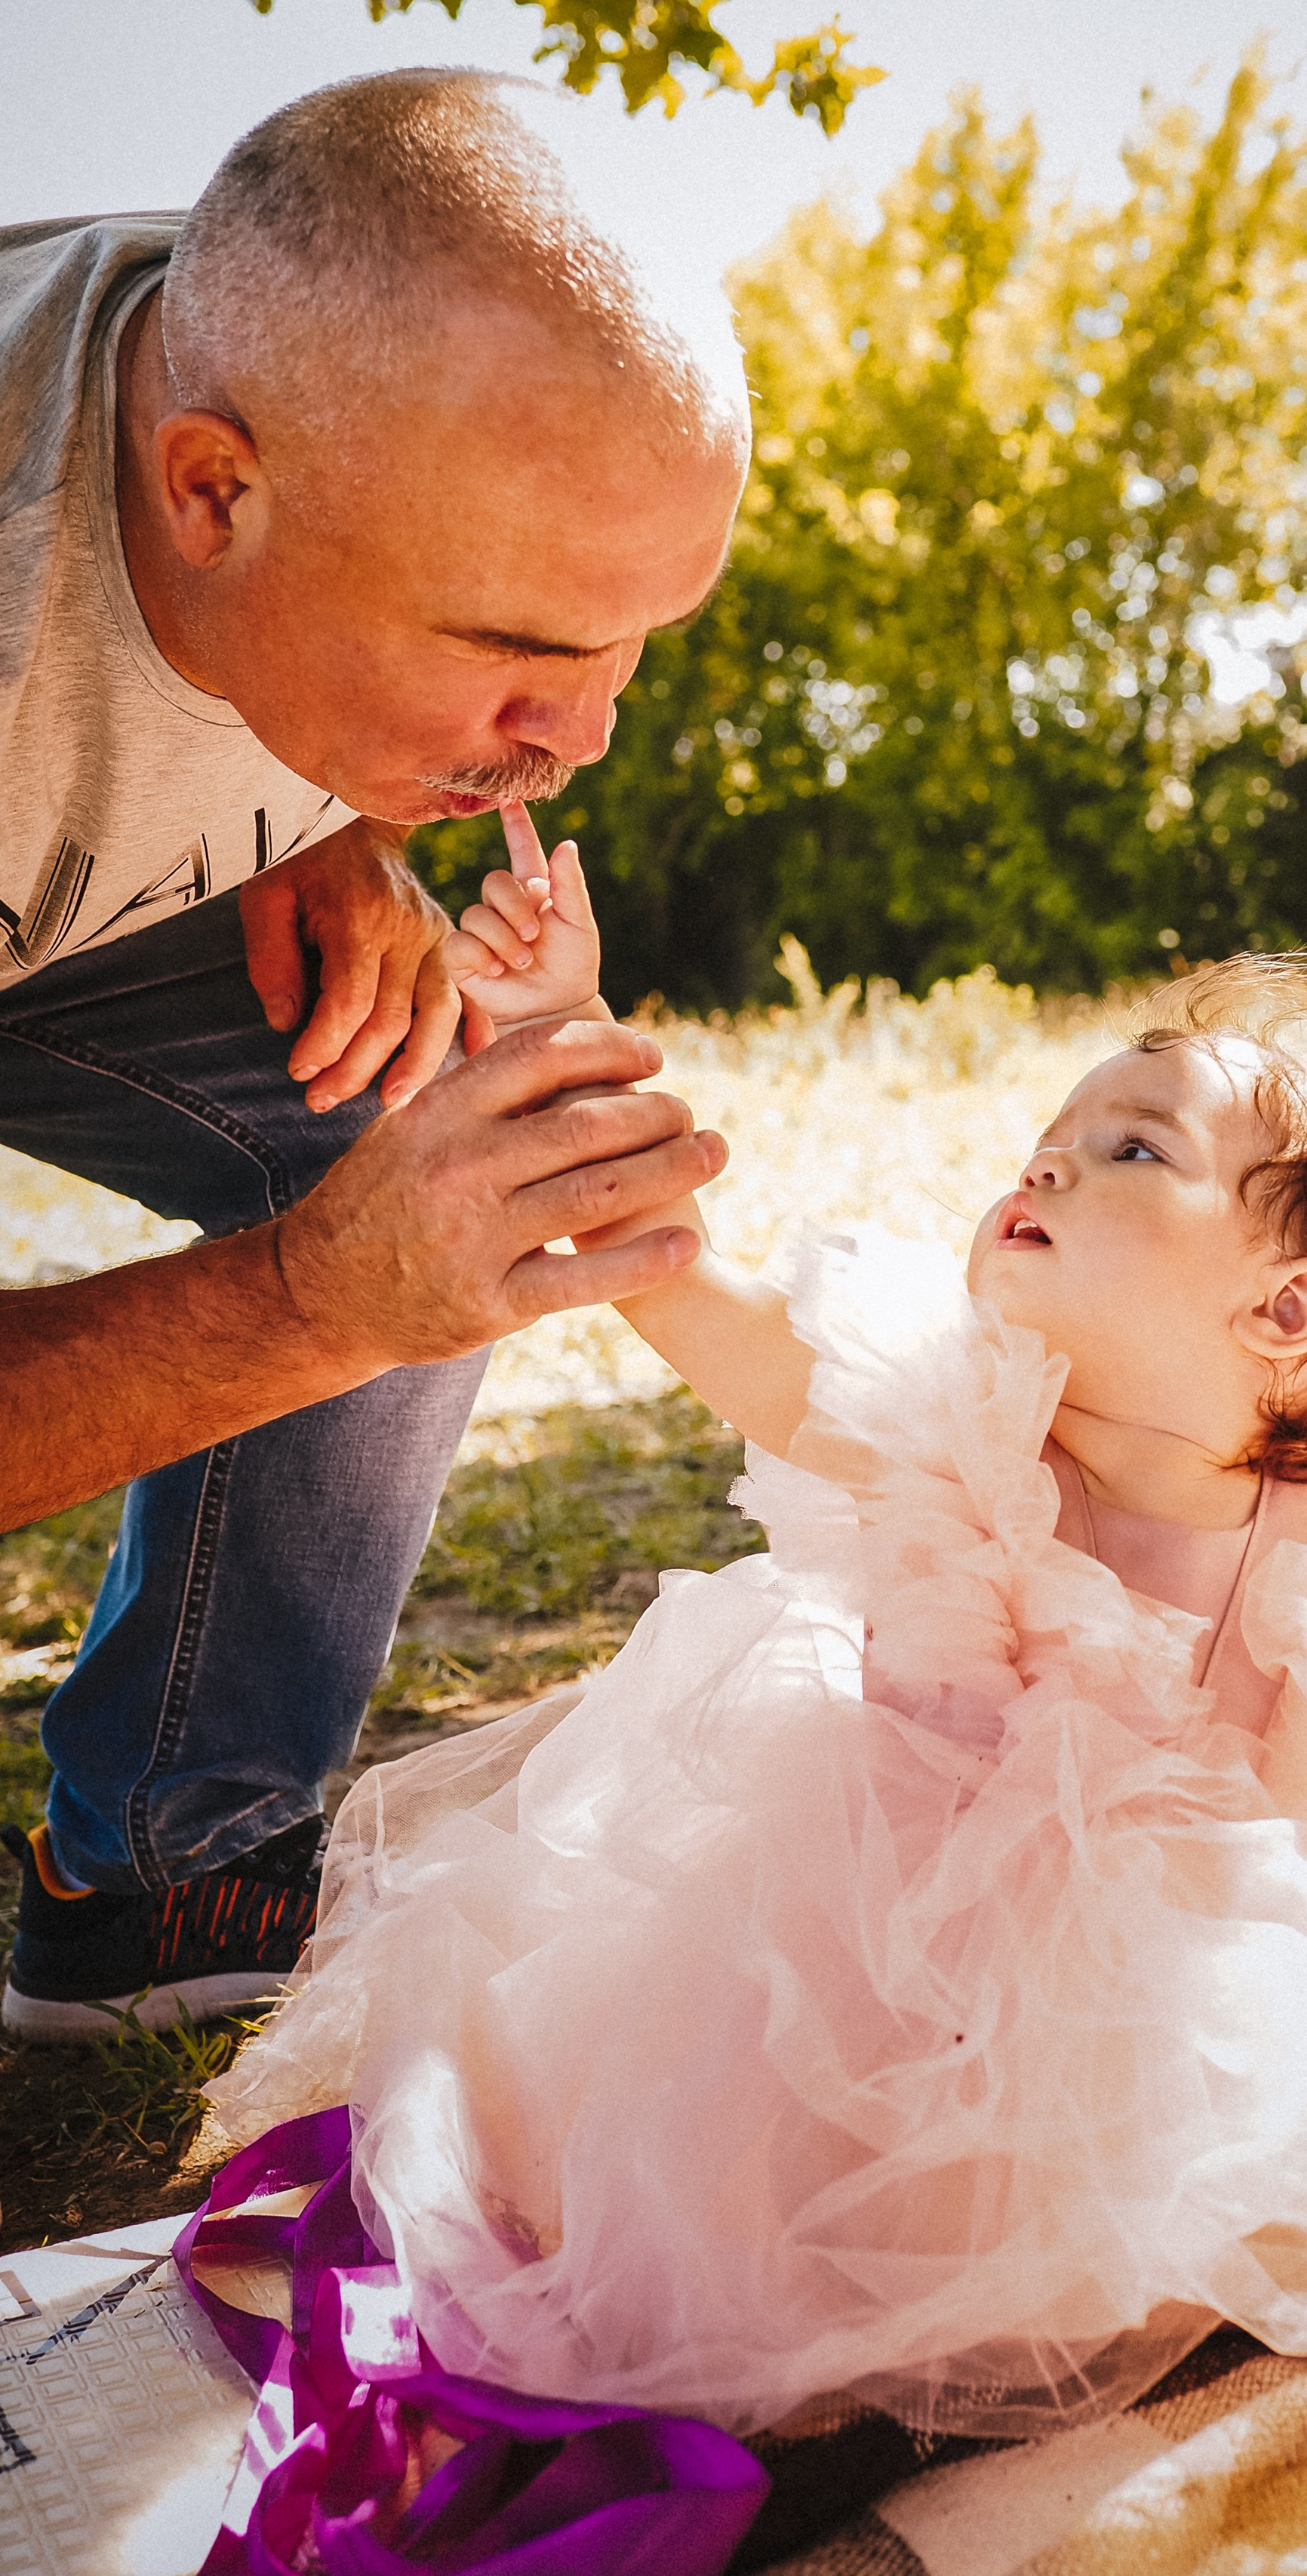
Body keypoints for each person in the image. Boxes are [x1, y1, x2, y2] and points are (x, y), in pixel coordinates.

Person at [212, 849, 1307, 2496]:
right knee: (800, 2221)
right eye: (1050, 1137)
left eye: (1131, 1149)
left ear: (1287, 1307)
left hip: (1201, 1972)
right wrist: (565, 1030)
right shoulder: (957, 1426)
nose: (1047, 1159)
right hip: (899, 1996)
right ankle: (1293, 2300)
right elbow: (693, 1285)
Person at [0, 66, 749, 2039]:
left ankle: (162, 1861)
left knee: (399, 1089)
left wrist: (336, 810)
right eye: (515, 648)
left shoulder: (314, 396)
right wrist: (329, 1295)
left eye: (633, 642)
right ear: (211, 490)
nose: (581, 741)